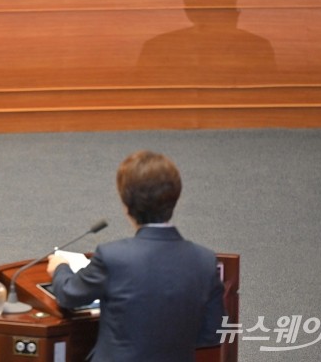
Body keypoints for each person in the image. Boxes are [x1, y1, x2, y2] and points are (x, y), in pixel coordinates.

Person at [47, 150, 224, 362]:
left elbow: (68, 294)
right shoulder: (204, 261)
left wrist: (60, 267)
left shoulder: (113, 257)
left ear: (126, 206)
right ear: (175, 198)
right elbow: (212, 333)